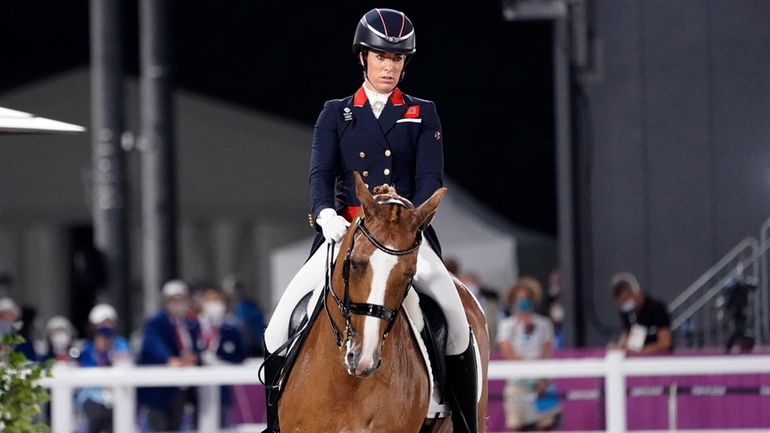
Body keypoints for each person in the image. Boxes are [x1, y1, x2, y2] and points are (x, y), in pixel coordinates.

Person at [261, 8, 478, 433]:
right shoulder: (336, 113)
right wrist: (325, 214)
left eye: (396, 60)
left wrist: (402, 216)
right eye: (381, 57)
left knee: (454, 317)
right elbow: (321, 173)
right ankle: (275, 423)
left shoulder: (422, 113)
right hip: (347, 233)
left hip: (402, 238)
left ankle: (464, 421)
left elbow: (429, 179)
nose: (389, 67)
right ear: (364, 58)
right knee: (278, 325)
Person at [137, 280, 201, 432]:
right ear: (166, 301)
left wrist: (193, 357)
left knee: (177, 426)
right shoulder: (156, 321)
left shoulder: (190, 323)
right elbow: (152, 343)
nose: (178, 304)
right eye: (174, 300)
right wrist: (169, 359)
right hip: (159, 390)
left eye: (181, 299)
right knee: (158, 426)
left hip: (181, 388)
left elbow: (196, 345)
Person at [498, 279, 561, 431]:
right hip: (517, 384)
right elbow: (507, 352)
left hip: (540, 384)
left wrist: (542, 379)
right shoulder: (507, 325)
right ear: (513, 301)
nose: (523, 302)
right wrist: (529, 366)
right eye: (519, 299)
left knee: (544, 425)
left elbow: (546, 352)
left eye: (526, 298)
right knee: (516, 426)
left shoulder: (544, 324)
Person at [76, 304, 131, 433]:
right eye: (102, 324)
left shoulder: (121, 344)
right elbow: (85, 368)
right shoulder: (87, 347)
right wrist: (99, 350)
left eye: (109, 323)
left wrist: (111, 352)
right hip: (92, 395)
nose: (105, 328)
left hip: (117, 394)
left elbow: (126, 362)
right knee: (94, 419)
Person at [198, 288, 246, 427]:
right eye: (209, 300)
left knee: (224, 422)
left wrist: (221, 359)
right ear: (203, 303)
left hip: (223, 388)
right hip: (197, 389)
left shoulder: (232, 330)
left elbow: (240, 356)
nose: (213, 304)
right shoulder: (194, 327)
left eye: (216, 300)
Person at [610, 272, 672, 354]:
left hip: (657, 358)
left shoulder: (656, 308)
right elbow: (626, 334)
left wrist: (641, 352)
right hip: (636, 358)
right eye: (622, 302)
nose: (625, 305)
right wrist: (620, 347)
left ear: (636, 292)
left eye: (626, 300)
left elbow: (665, 343)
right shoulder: (626, 311)